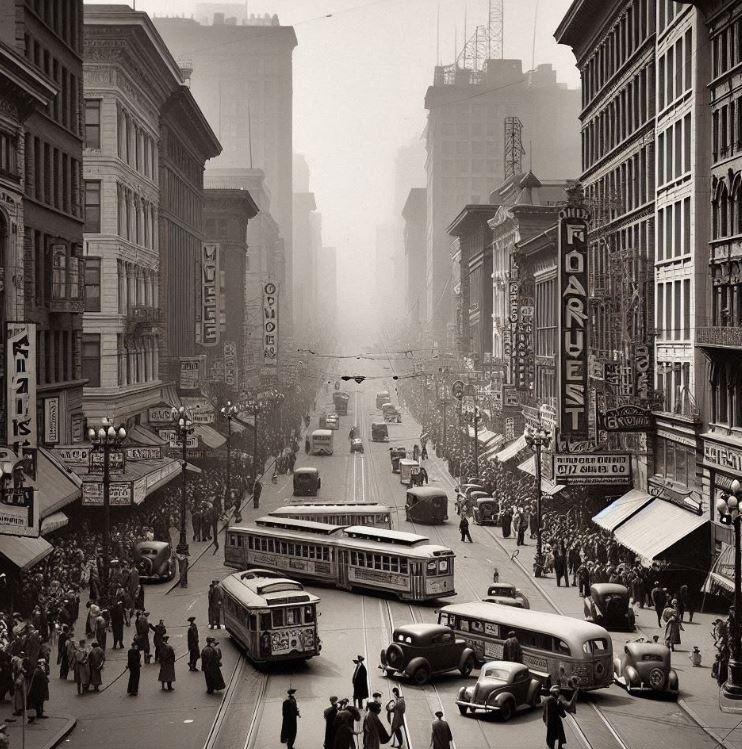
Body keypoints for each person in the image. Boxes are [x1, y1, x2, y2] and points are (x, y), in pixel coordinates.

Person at [543, 684, 578, 749]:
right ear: (553, 692)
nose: (557, 693)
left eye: (557, 692)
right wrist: (559, 706)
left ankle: (557, 746)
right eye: (556, 692)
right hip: (553, 720)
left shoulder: (550, 699)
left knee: (556, 734)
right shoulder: (552, 700)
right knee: (555, 734)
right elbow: (555, 710)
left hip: (552, 720)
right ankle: (555, 747)